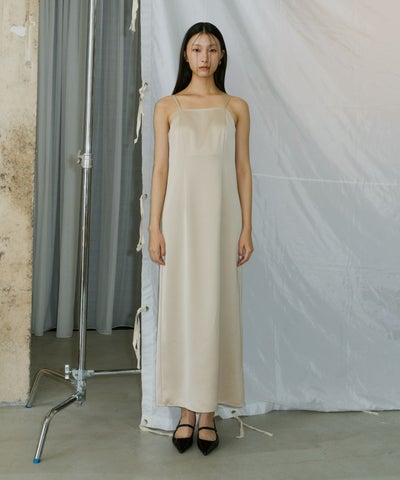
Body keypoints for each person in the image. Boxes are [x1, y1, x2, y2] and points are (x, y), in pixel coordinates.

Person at [148, 22, 253, 456]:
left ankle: (207, 411)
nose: (204, 57)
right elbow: (160, 169)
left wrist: (247, 227)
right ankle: (186, 410)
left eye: (211, 49)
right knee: (182, 308)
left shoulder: (236, 107)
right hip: (179, 220)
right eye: (196, 48)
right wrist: (154, 227)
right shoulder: (167, 106)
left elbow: (243, 168)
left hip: (222, 221)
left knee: (214, 307)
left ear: (221, 55)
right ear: (185, 55)